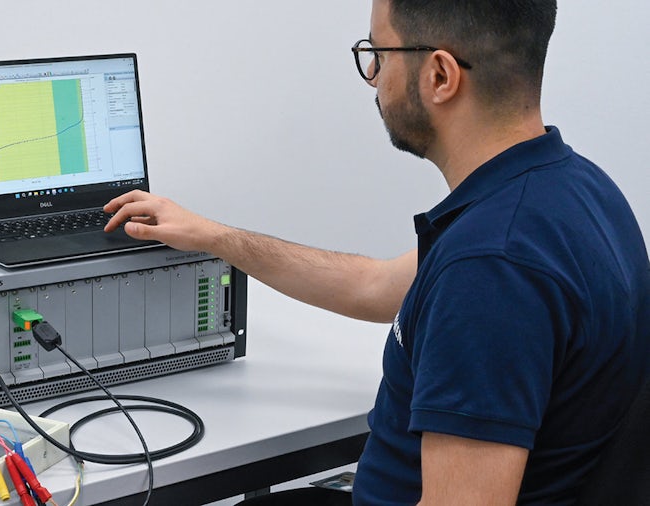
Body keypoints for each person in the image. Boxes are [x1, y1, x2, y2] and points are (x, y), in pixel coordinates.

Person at [104, 0, 650, 504]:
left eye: (378, 55)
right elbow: (374, 286)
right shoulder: (574, 190)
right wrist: (214, 236)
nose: (373, 77)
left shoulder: (490, 268)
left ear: (440, 76)